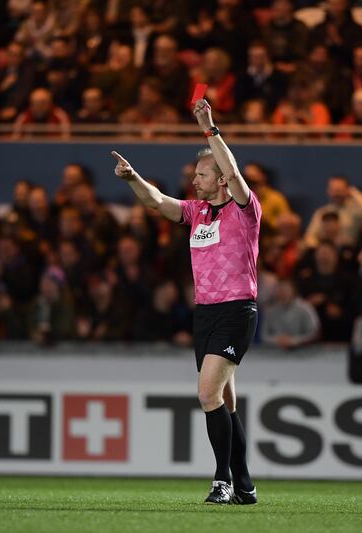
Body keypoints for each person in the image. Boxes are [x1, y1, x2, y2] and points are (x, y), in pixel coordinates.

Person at [111, 97, 260, 505]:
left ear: (222, 180)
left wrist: (209, 127)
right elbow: (158, 203)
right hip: (206, 314)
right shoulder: (197, 213)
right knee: (225, 401)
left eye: (201, 175)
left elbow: (231, 168)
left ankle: (222, 479)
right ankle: (245, 483)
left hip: (236, 310)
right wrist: (133, 179)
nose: (194, 181)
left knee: (207, 393)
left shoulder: (245, 210)